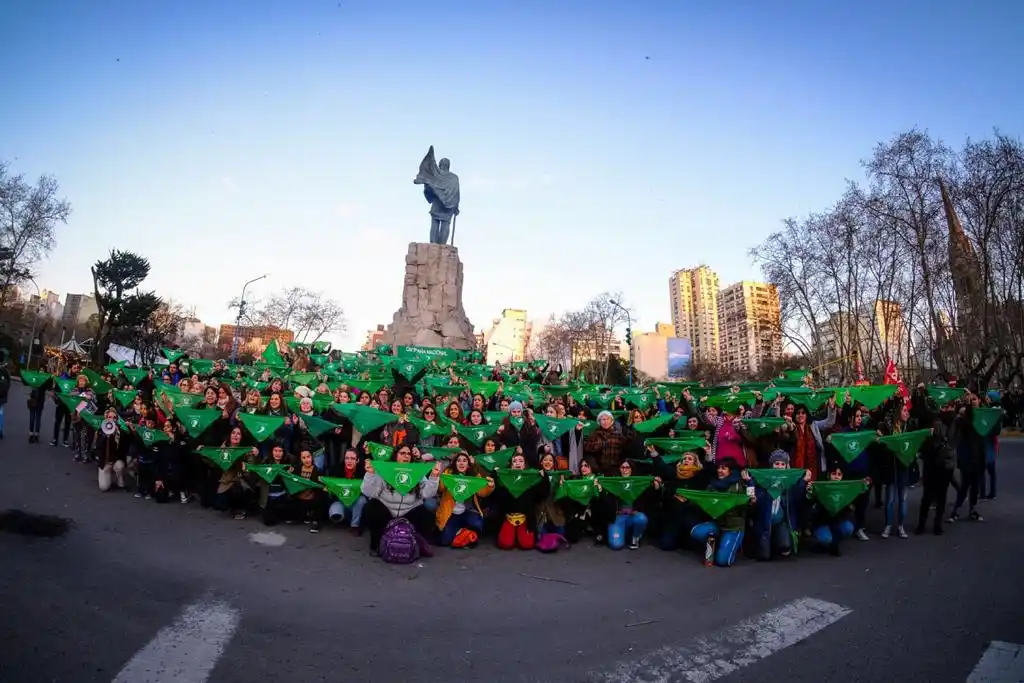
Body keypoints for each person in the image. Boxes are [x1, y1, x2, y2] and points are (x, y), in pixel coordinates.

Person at [360, 444, 439, 556]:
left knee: (427, 517)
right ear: (396, 456)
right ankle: (376, 544)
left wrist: (434, 477)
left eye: (408, 454)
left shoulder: (417, 471)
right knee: (371, 509)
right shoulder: (385, 469)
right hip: (387, 507)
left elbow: (427, 493)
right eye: (402, 453)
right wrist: (370, 474)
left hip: (409, 509)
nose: (406, 456)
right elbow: (369, 492)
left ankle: (418, 543)